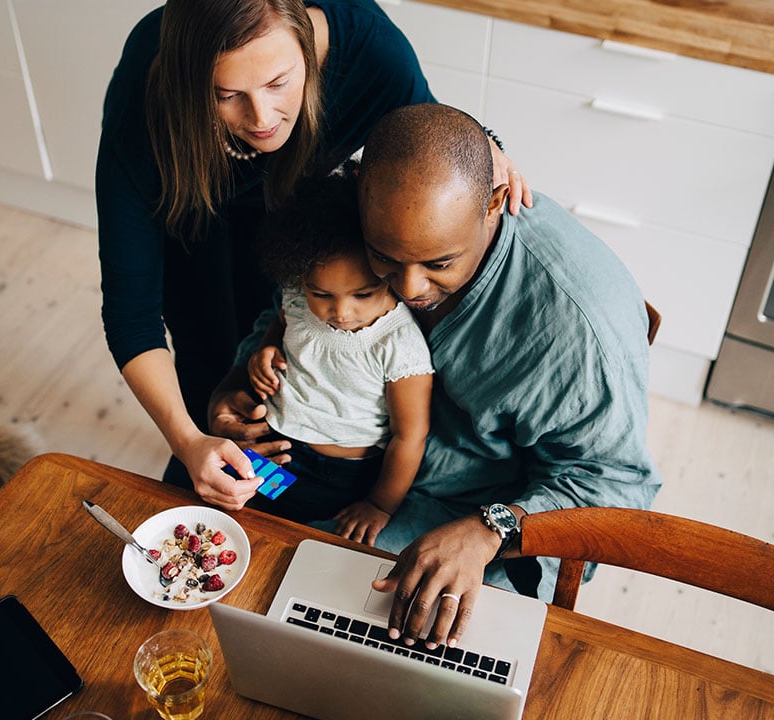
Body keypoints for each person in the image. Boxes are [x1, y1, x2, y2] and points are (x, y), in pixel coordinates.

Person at [211, 102, 660, 650]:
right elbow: (295, 306)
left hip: (469, 515)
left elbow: (616, 491)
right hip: (332, 460)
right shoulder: (374, 198)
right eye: (383, 258)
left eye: (440, 263)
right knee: (220, 562)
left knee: (332, 625)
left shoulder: (579, 332)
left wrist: (490, 528)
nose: (408, 288)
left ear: (494, 204)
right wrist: (237, 382)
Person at [95, 0, 532, 510]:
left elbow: (425, 140)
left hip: (311, 234)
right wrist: (189, 439)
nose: (261, 118)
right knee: (212, 369)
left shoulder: (369, 50)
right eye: (227, 95)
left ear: (306, 44)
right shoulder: (146, 95)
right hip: (199, 226)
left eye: (279, 82)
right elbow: (131, 313)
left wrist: (486, 144)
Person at [245, 172, 433, 546]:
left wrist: (380, 505)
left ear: (388, 275)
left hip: (338, 474)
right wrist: (265, 352)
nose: (341, 312)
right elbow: (280, 327)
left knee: (290, 537)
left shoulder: (398, 343)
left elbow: (410, 434)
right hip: (278, 445)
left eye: (363, 294)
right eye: (321, 294)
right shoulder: (298, 300)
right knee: (239, 507)